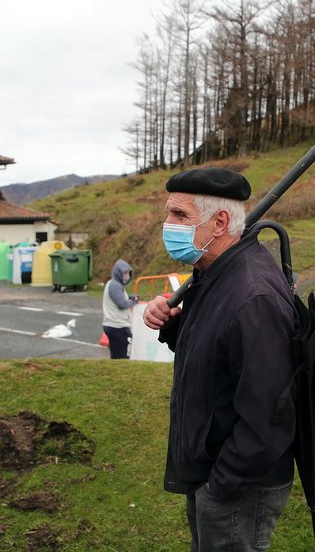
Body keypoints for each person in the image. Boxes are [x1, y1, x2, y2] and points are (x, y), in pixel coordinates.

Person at [142, 167, 296, 551]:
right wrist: (173, 324)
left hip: (237, 485)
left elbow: (269, 415)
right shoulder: (212, 272)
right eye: (169, 213)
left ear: (220, 222)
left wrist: (220, 484)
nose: (168, 224)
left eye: (180, 215)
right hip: (213, 471)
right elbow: (216, 357)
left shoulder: (252, 295)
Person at [102, 259, 139, 359]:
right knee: (123, 356)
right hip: (118, 326)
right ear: (118, 272)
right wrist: (134, 302)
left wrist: (130, 297)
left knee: (115, 355)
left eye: (128, 273)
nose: (127, 275)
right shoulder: (115, 285)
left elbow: (119, 297)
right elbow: (122, 304)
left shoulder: (114, 284)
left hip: (112, 325)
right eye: (125, 273)